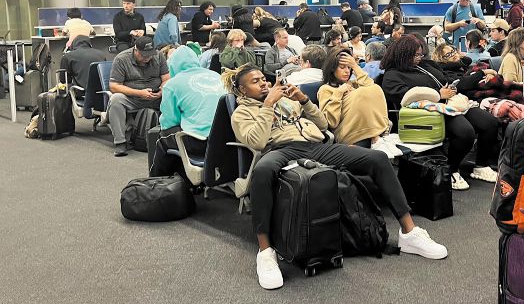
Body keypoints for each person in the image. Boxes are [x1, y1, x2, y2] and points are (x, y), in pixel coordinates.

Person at [226, 64, 448, 290]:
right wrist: (268, 104)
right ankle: (265, 252)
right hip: (280, 150)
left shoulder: (289, 100)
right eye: (255, 81)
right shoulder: (242, 113)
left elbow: (324, 125)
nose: (263, 82)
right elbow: (257, 142)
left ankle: (409, 233)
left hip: (314, 146)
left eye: (263, 78)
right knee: (261, 172)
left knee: (378, 159)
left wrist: (303, 100)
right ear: (242, 91)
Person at [380, 36, 500, 190]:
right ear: (404, 54)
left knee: (489, 123)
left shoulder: (425, 65)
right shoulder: (392, 75)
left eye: (421, 54)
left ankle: (481, 165)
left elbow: (446, 79)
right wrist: (438, 94)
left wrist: (459, 84)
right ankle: (451, 169)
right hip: (427, 112)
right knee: (465, 132)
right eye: (416, 55)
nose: (419, 58)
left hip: (450, 103)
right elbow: (403, 96)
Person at [149, 46, 225, 184]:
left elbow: (169, 122)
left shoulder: (172, 85)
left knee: (163, 138)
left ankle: (155, 185)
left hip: (200, 141)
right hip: (225, 140)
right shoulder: (217, 76)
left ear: (172, 65)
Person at [318, 47, 392, 151]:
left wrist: (355, 66)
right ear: (332, 68)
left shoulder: (353, 84)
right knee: (361, 93)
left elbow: (372, 88)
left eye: (349, 68)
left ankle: (375, 137)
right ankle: (375, 138)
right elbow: (331, 122)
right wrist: (339, 93)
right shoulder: (325, 89)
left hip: (365, 129)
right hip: (347, 133)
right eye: (342, 67)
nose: (347, 71)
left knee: (374, 89)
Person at [107, 35, 169, 157]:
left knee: (176, 94)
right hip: (132, 97)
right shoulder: (121, 59)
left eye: (150, 54)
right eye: (144, 55)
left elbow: (166, 79)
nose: (147, 58)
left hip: (156, 95)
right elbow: (114, 86)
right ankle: (120, 142)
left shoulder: (158, 55)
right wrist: (139, 93)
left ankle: (170, 137)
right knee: (116, 100)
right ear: (136, 50)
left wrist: (162, 91)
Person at [60, 35, 108, 99]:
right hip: (101, 93)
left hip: (81, 93)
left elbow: (63, 80)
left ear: (73, 44)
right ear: (89, 44)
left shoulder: (68, 56)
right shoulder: (101, 54)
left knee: (61, 92)